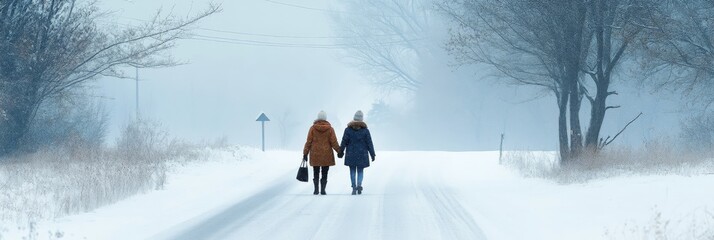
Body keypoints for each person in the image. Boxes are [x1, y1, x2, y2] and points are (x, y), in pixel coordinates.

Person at [303, 110, 341, 195]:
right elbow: (333, 141)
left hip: (315, 153)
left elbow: (308, 141)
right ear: (325, 118)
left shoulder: (312, 128)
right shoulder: (330, 129)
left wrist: (305, 153)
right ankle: (323, 190)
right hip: (326, 154)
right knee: (325, 172)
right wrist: (339, 151)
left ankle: (316, 190)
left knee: (316, 172)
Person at [339, 110, 375, 195]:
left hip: (351, 153)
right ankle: (359, 184)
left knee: (352, 170)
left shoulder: (348, 130)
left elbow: (344, 141)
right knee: (360, 170)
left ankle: (354, 187)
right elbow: (369, 143)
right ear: (362, 119)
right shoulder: (365, 130)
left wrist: (341, 151)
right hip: (362, 154)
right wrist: (372, 154)